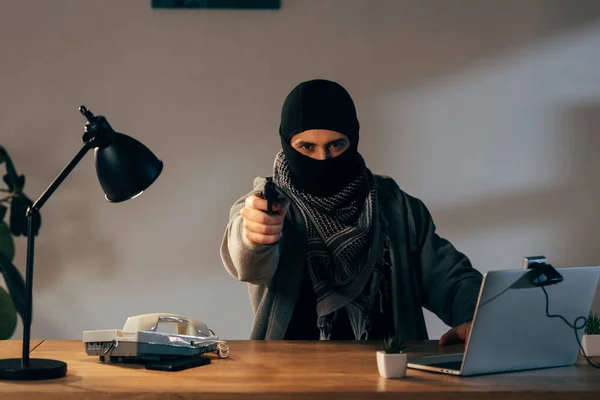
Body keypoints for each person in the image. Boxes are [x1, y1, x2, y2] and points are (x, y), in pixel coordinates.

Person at [220, 79, 483, 343]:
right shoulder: (268, 204)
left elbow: (448, 278)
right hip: (288, 375)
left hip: (388, 371)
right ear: (288, 144)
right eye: (306, 147)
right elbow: (247, 263)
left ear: (353, 140)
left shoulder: (396, 206)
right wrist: (254, 237)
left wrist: (477, 318)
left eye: (336, 145)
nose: (323, 159)